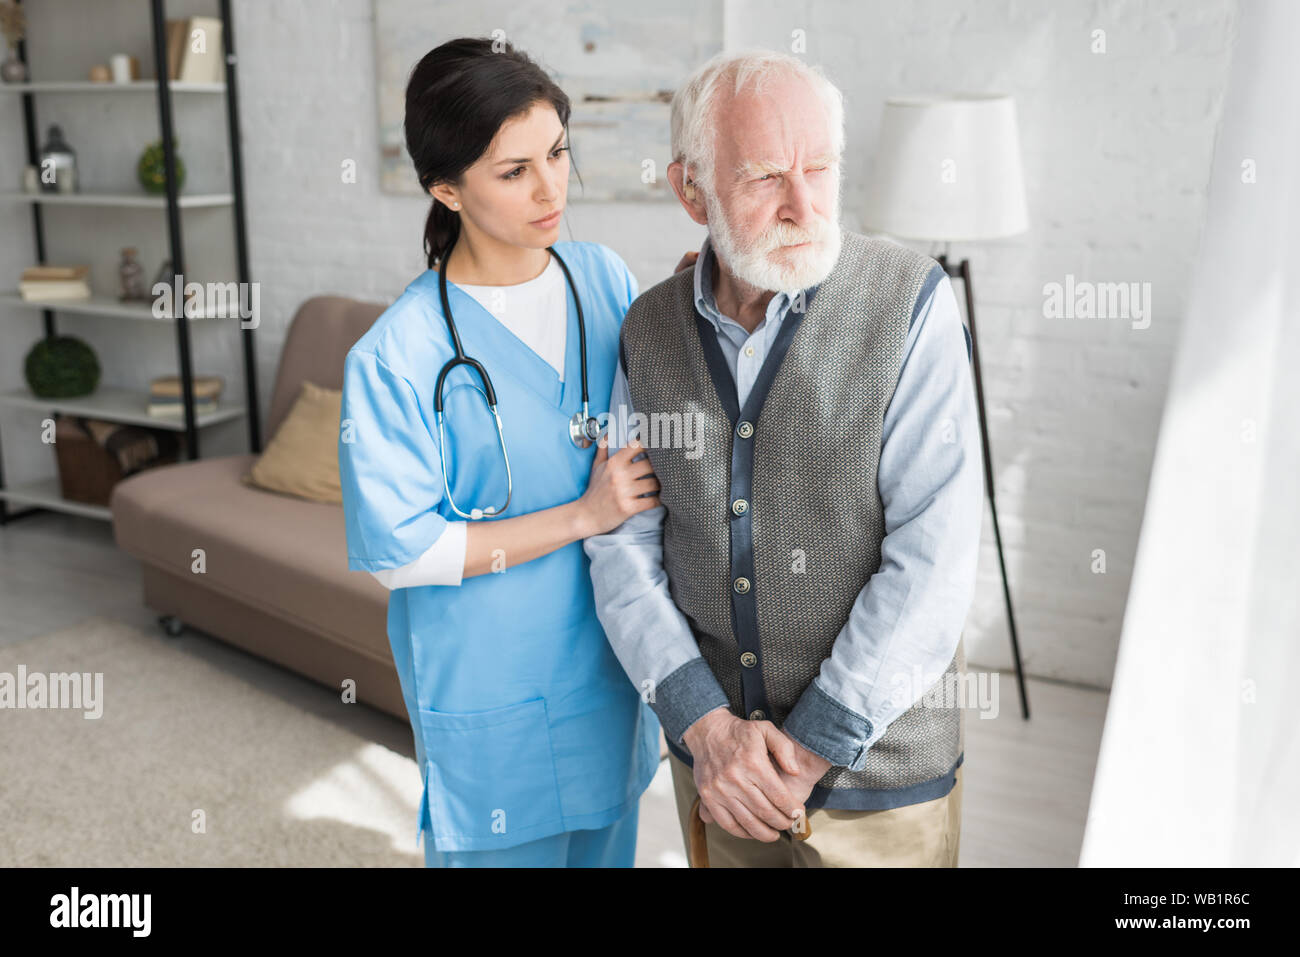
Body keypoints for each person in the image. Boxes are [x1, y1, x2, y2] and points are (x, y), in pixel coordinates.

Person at [585, 49, 983, 867]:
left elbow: (933, 561)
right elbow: (624, 544)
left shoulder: (912, 304)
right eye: (766, 177)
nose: (805, 204)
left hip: (883, 779)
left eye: (822, 168)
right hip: (717, 771)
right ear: (691, 189)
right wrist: (707, 729)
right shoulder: (647, 329)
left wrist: (803, 754)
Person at [338, 37, 664, 868]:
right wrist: (582, 515)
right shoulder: (396, 354)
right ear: (446, 188)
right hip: (489, 684)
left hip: (608, 666)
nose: (551, 187)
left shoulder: (604, 280)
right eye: (513, 171)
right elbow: (405, 551)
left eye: (556, 152)